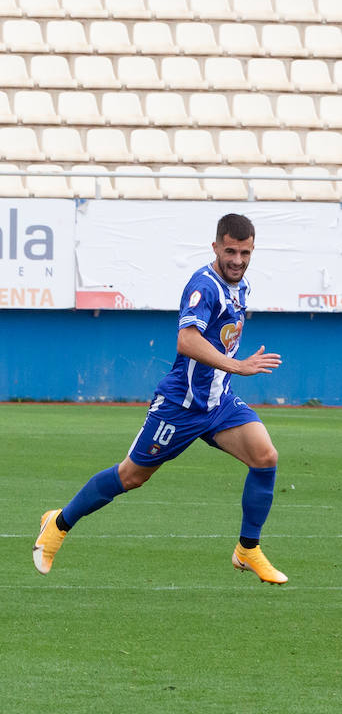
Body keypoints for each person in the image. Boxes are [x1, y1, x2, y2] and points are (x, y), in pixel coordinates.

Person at [34, 213, 286, 583]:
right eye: (230, 251)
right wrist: (236, 366)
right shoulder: (204, 286)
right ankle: (57, 523)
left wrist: (227, 374)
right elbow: (187, 340)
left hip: (218, 404)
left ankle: (247, 550)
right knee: (131, 477)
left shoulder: (241, 285)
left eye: (245, 252)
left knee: (265, 457)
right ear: (215, 247)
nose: (237, 260)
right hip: (179, 407)